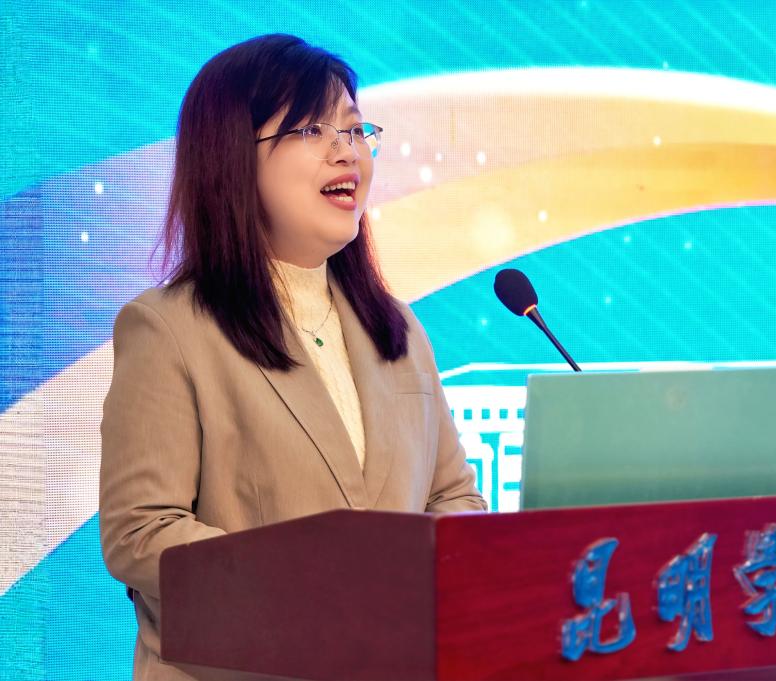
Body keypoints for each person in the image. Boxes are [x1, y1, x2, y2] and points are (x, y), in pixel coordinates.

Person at [99, 34, 487, 681]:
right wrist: (318, 590)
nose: (348, 150)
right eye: (311, 129)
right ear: (231, 157)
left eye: (356, 129)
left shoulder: (397, 327)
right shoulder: (168, 329)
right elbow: (141, 532)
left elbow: (453, 495)